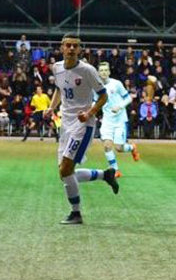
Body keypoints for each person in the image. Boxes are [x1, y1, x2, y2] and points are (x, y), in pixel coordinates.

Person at [43, 34, 119, 225]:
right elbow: (60, 90)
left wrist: (90, 112)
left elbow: (103, 96)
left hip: (83, 125)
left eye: (74, 46)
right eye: (67, 45)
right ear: (62, 47)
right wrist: (52, 107)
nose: (70, 49)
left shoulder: (87, 70)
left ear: (79, 50)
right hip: (65, 123)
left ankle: (76, 213)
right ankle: (105, 175)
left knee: (66, 169)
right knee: (64, 173)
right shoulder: (57, 68)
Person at [97, 62, 140, 177]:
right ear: (98, 73)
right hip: (107, 120)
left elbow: (128, 98)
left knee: (119, 148)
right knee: (107, 145)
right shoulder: (96, 87)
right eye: (101, 70)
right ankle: (116, 170)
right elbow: (95, 102)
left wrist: (119, 106)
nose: (104, 72)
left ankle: (132, 147)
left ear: (109, 72)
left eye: (106, 70)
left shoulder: (116, 84)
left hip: (120, 120)